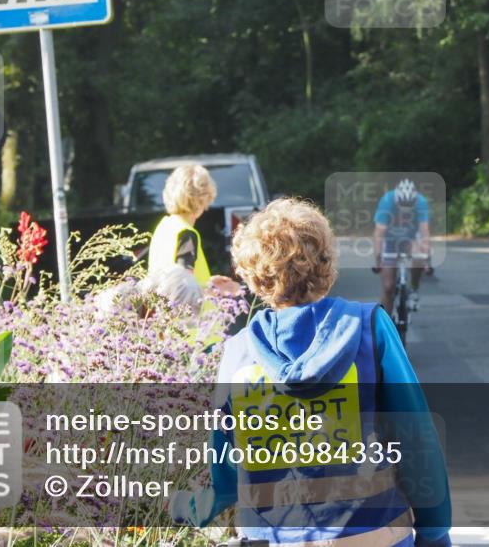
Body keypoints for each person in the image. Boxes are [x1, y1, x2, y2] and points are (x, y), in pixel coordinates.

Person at [169, 198, 452, 547]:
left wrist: (190, 507)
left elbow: (225, 472)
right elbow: (415, 439)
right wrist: (435, 531)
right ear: (325, 262)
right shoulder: (369, 328)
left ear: (254, 275)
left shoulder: (238, 353)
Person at [148, 163, 240, 296]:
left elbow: (171, 280)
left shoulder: (164, 227)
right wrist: (220, 291)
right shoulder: (186, 234)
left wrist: (208, 283)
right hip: (191, 316)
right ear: (205, 198)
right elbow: (184, 291)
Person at [372, 179, 430, 316]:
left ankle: (414, 289)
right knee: (388, 287)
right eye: (402, 206)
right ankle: (386, 325)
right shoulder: (387, 201)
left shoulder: (421, 202)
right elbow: (379, 232)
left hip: (410, 238)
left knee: (419, 257)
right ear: (396, 201)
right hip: (390, 240)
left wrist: (426, 259)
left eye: (408, 206)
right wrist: (378, 259)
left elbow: (425, 231)